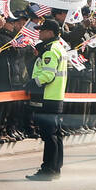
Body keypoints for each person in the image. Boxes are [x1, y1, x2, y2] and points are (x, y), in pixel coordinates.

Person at [25, 18, 67, 181]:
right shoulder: (59, 48)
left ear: (50, 32)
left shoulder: (50, 50)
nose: (39, 32)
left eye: (42, 30)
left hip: (48, 97)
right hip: (56, 97)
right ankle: (55, 168)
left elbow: (48, 75)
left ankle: (48, 170)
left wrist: (32, 83)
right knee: (56, 134)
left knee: (49, 135)